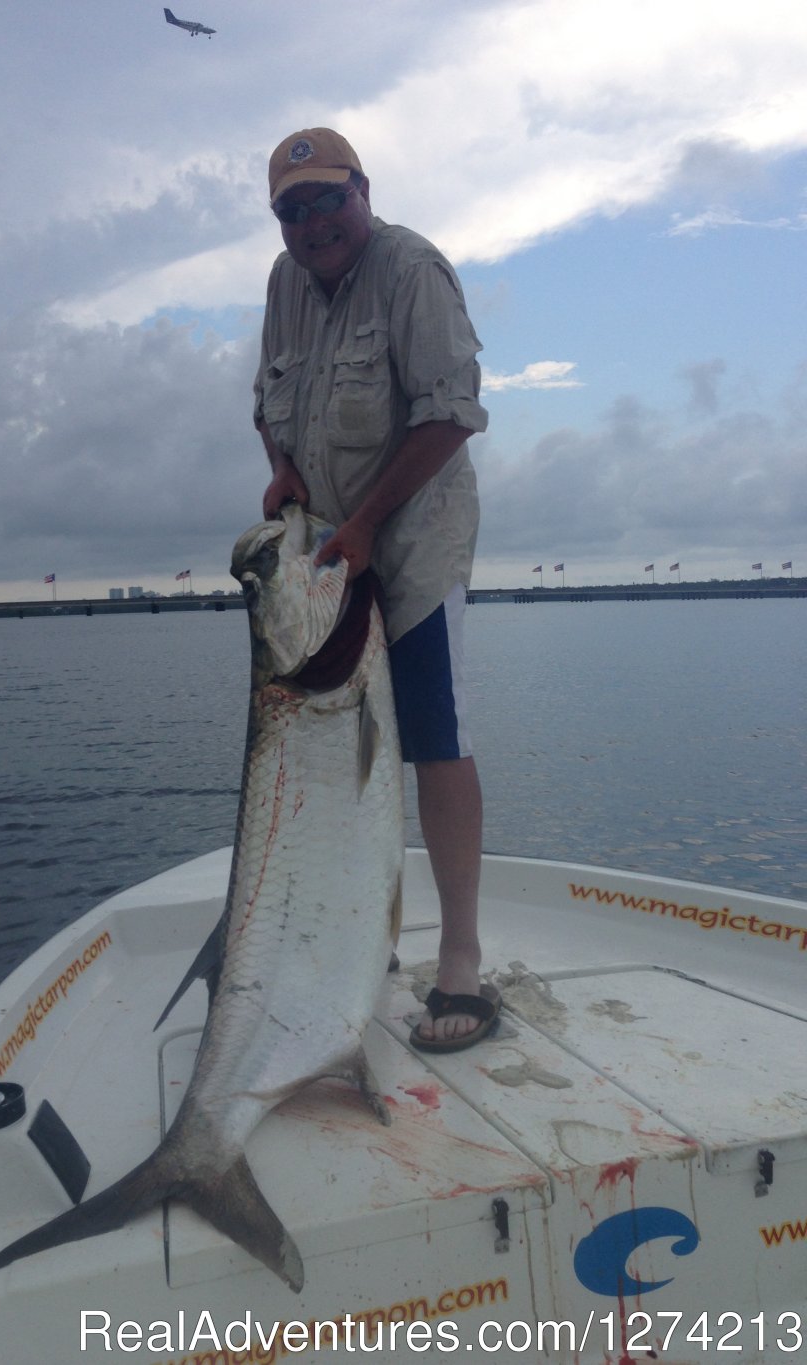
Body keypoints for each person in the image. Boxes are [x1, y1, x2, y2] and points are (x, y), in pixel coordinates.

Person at [254, 128, 498, 1052]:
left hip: (415, 542)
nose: (314, 223)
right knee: (322, 753)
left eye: (328, 199)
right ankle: (352, 940)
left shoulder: (413, 270)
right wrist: (282, 469)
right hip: (328, 559)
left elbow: (453, 415)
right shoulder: (285, 284)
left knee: (435, 736)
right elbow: (264, 399)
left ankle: (462, 960)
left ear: (364, 189)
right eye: (293, 209)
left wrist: (365, 528)